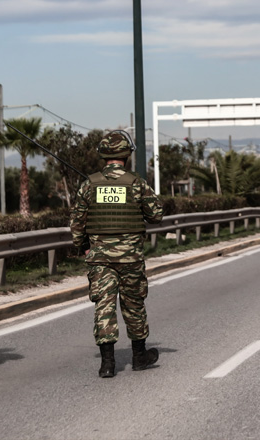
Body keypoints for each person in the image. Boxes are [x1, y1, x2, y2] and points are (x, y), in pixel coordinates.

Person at [70, 131, 163, 378]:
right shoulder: (136, 183)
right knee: (134, 305)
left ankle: (107, 364)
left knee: (104, 306)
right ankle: (139, 357)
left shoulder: (89, 184)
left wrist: (83, 246)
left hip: (100, 259)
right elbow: (156, 215)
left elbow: (77, 223)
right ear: (127, 154)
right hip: (130, 258)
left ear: (103, 155)